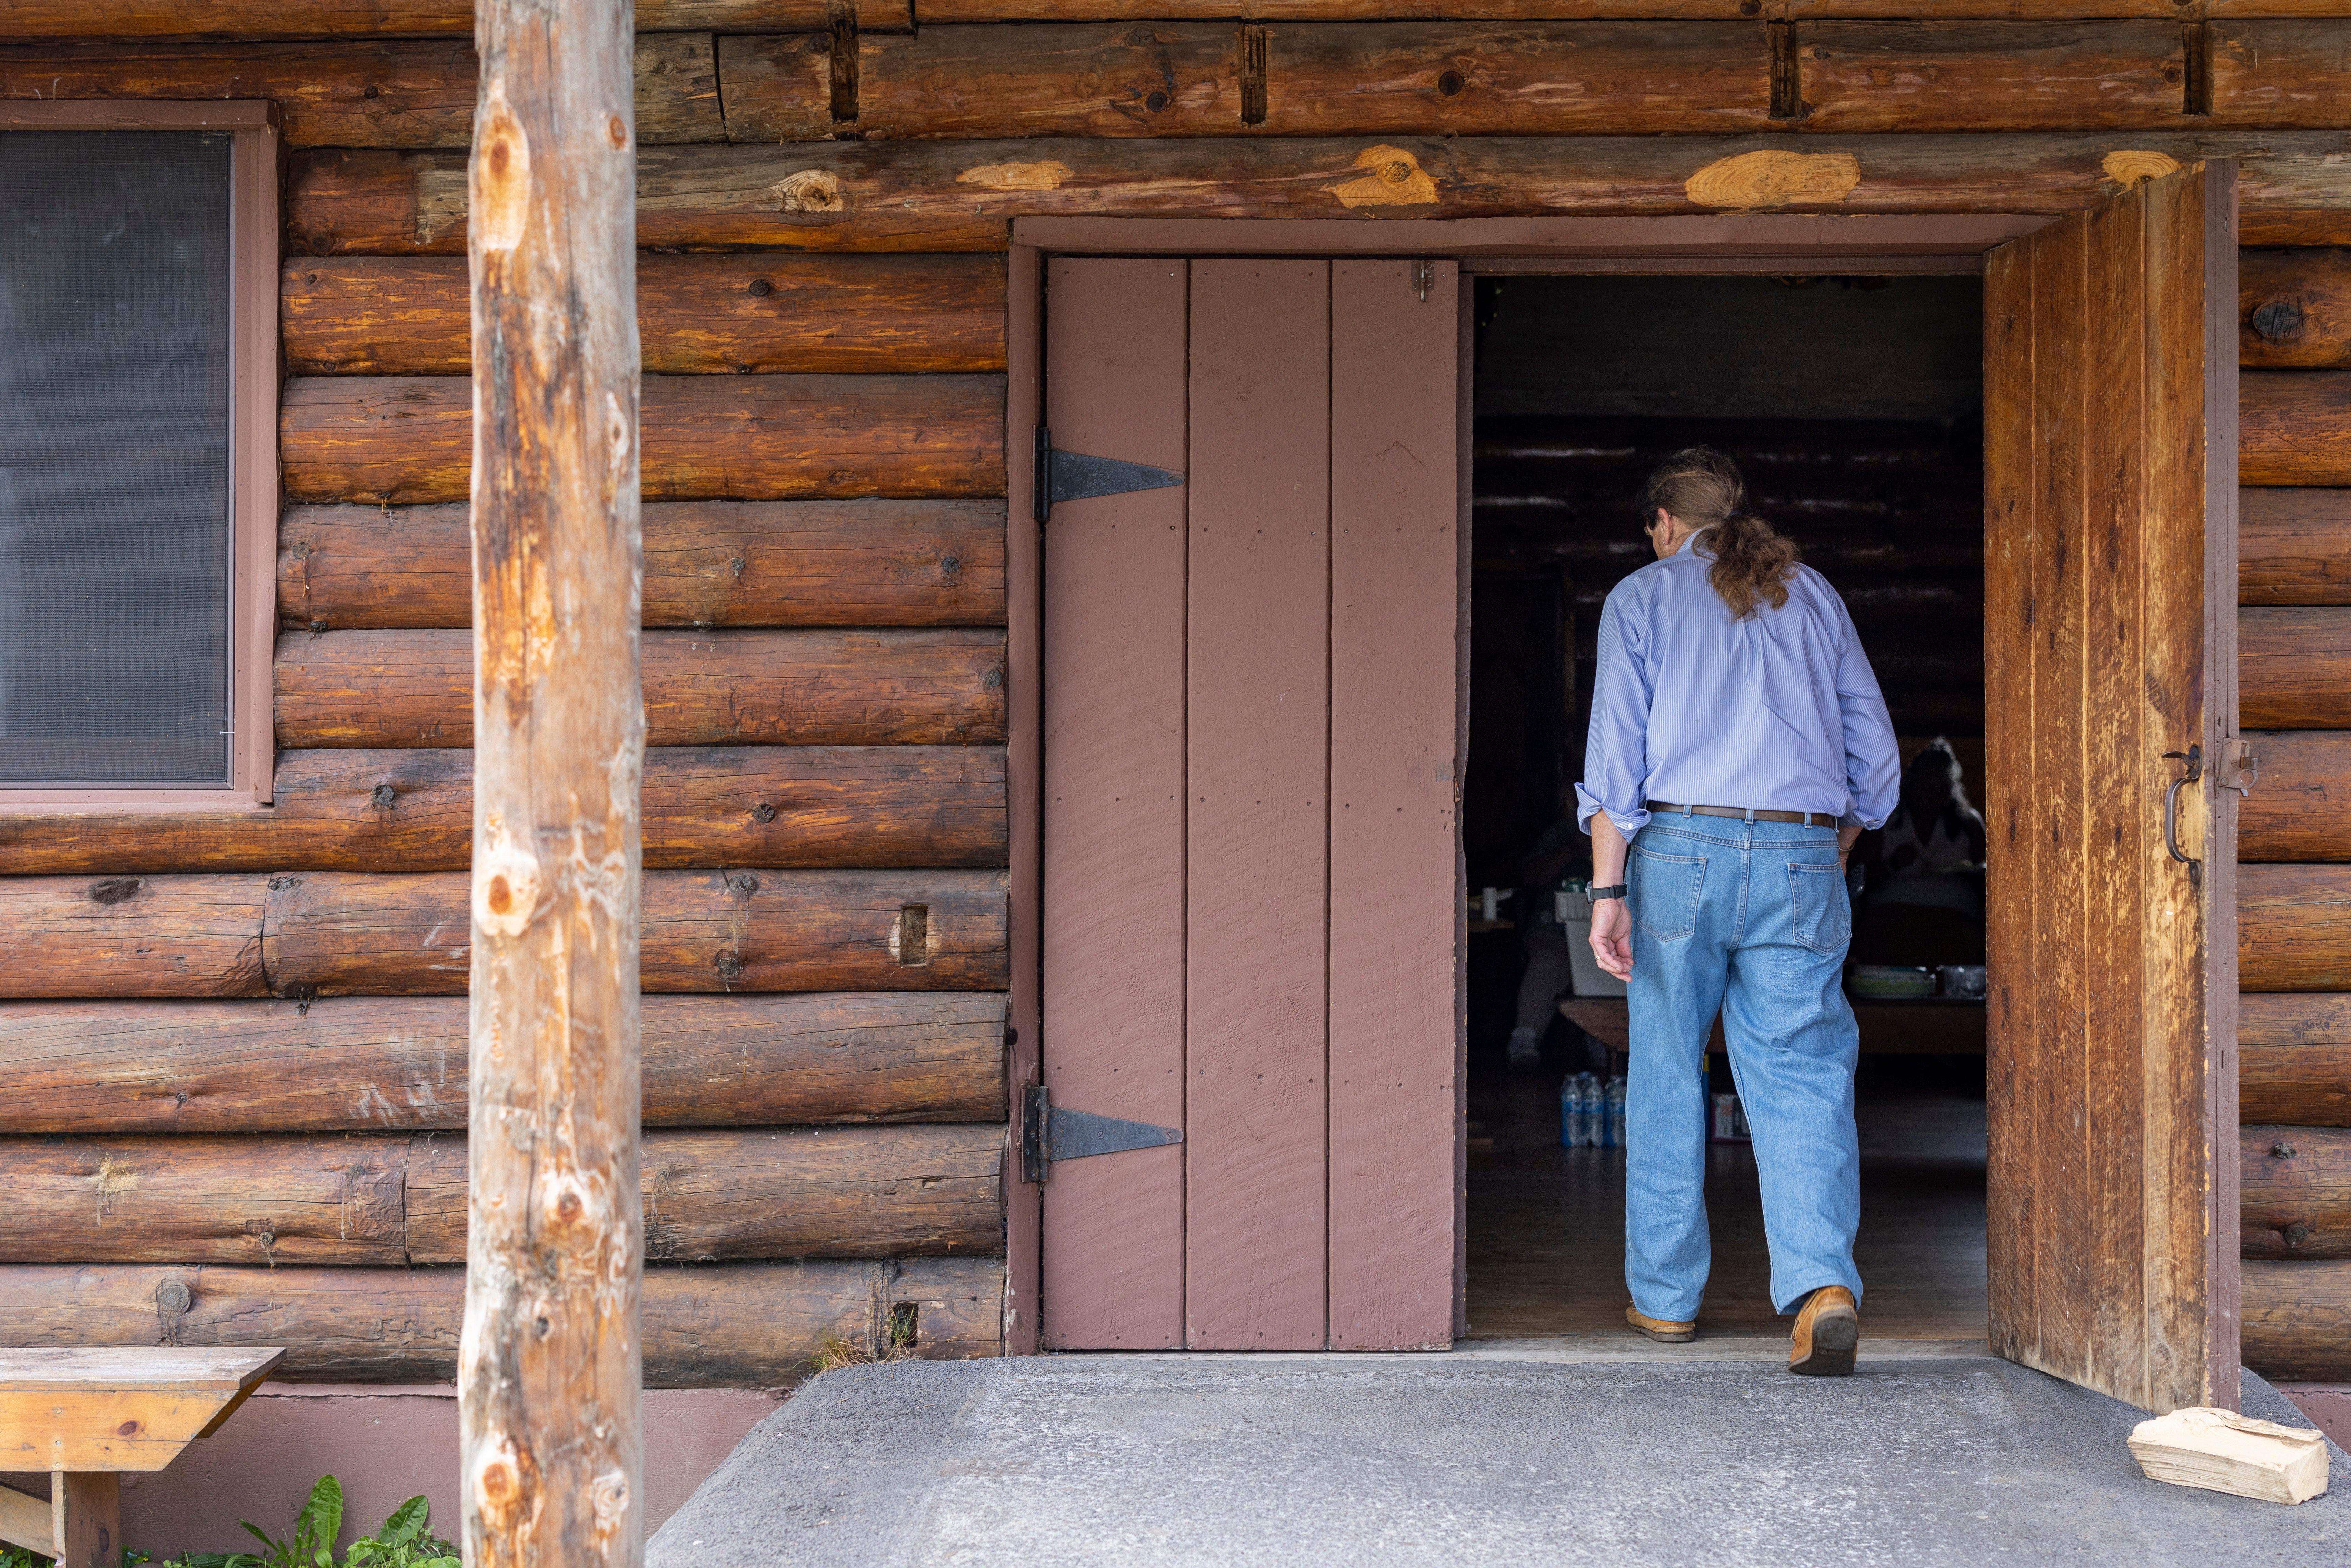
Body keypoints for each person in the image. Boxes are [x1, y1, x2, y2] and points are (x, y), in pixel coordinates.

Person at [1576, 447, 1899, 1377]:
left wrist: (1606, 891)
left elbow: (1615, 765)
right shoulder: (1814, 595)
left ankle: (1665, 1299)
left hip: (1681, 851)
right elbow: (1873, 760)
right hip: (1800, 851)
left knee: (1669, 1069)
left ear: (1664, 525)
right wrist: (1831, 843)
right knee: (1799, 1073)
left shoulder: (1642, 597)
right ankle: (1820, 1287)